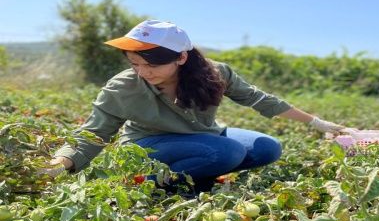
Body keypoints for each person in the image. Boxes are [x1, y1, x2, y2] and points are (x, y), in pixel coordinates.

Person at [41, 20, 345, 192]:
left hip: (203, 135)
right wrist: (57, 167)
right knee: (225, 152)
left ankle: (196, 172)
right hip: (148, 144)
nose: (143, 72)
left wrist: (318, 124)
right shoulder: (122, 87)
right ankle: (149, 183)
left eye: (151, 65)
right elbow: (92, 134)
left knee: (268, 148)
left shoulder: (215, 73)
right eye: (135, 63)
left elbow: (259, 98)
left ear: (181, 57)